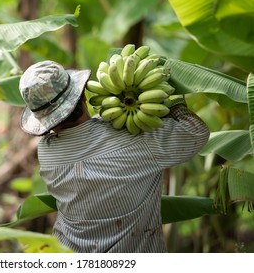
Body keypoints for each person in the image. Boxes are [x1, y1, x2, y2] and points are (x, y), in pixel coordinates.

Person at [18, 60, 210, 253]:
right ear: (82, 94)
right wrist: (170, 100)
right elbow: (196, 132)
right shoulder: (135, 138)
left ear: (45, 120)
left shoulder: (46, 152)